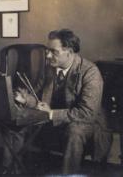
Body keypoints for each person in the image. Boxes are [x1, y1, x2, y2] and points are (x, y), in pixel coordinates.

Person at [9, 29, 112, 174]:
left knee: (74, 131)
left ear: (69, 52)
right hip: (54, 120)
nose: (47, 55)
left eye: (53, 51)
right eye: (47, 50)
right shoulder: (49, 69)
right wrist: (25, 100)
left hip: (88, 125)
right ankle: (14, 171)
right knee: (17, 119)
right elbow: (37, 98)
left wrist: (51, 113)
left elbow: (88, 114)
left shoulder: (90, 72)